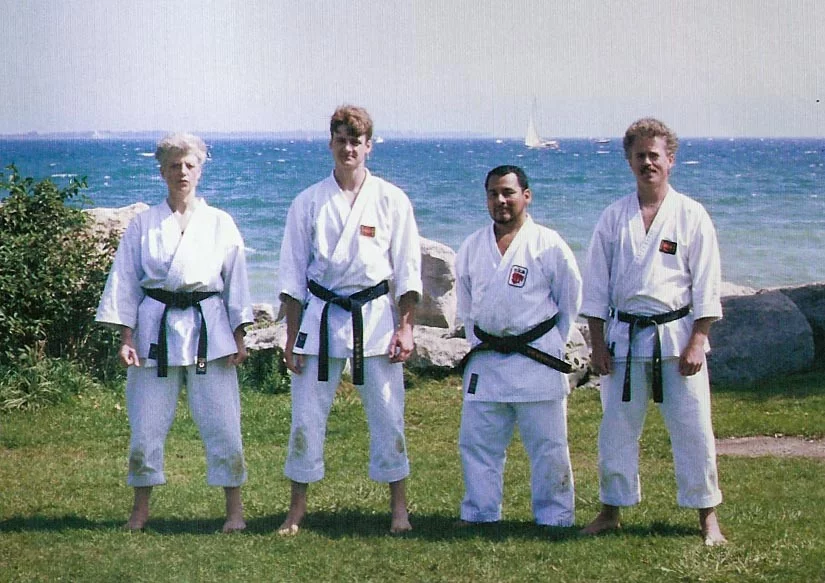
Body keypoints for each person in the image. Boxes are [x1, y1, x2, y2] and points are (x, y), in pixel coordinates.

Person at [96, 133, 253, 533]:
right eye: (173, 165)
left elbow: (236, 281)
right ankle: (140, 510)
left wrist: (240, 335)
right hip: (155, 330)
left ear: (200, 168)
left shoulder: (220, 223)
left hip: (209, 329)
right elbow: (125, 281)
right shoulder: (144, 224)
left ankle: (234, 511)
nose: (181, 172)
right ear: (161, 170)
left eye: (189, 164)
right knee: (145, 426)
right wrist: (126, 337)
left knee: (223, 424)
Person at [579, 118, 727, 545]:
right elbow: (596, 287)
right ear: (629, 160)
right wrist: (597, 343)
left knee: (694, 429)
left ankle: (707, 516)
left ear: (670, 160)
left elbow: (707, 282)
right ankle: (611, 509)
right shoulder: (613, 217)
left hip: (678, 340)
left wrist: (698, 340)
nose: (648, 163)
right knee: (616, 430)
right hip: (624, 340)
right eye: (640, 155)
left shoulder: (691, 215)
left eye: (655, 155)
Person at [277, 105, 422, 535]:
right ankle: (297, 510)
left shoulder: (392, 199)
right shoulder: (308, 202)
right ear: (331, 145)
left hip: (374, 317)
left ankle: (399, 509)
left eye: (356, 141)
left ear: (369, 147)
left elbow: (408, 270)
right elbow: (291, 275)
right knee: (305, 416)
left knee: (388, 413)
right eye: (341, 140)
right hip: (320, 316)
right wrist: (291, 336)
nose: (348, 148)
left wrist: (407, 326)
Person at [455, 165, 582, 527]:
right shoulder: (472, 246)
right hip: (488, 359)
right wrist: (478, 341)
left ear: (527, 196)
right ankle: (480, 512)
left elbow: (569, 299)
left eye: (508, 192)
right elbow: (466, 305)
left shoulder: (548, 244)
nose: (501, 200)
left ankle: (555, 516)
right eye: (493, 193)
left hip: (537, 357)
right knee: (478, 445)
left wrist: (553, 341)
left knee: (548, 446)